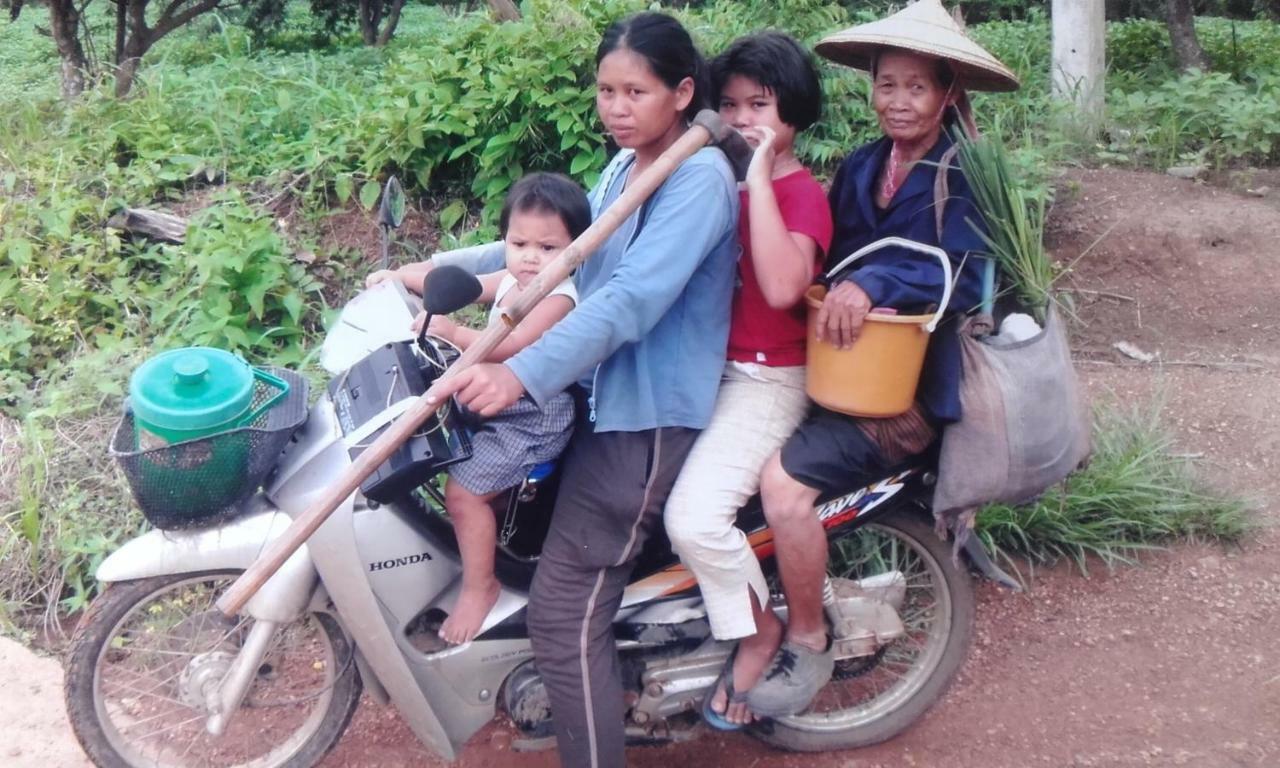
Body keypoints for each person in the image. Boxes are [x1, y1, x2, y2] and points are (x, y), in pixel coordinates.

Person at [425, 12, 739, 767]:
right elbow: (550, 252)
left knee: (563, 617)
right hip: (594, 399)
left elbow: (629, 298)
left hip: (644, 417)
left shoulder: (696, 178)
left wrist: (519, 371)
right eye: (606, 90)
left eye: (637, 91)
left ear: (682, 93)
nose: (617, 107)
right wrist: (426, 271)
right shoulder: (621, 168)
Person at [744, 0, 1021, 719]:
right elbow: (832, 258)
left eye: (916, 87)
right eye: (886, 84)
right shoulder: (866, 163)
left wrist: (873, 284)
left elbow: (961, 270)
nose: (898, 101)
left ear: (948, 93)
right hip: (841, 369)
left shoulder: (970, 170)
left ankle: (807, 639)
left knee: (781, 486)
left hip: (906, 396)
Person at [660, 31, 832, 730]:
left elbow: (786, 285)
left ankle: (761, 630)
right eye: (728, 105)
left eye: (759, 104)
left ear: (793, 110)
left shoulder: (799, 194)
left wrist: (758, 178)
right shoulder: (716, 183)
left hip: (768, 381)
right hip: (711, 371)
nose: (741, 121)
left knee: (693, 519)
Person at [407, 173, 589, 644]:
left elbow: (507, 346)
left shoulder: (560, 297)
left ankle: (480, 587)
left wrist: (452, 333)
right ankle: (488, 539)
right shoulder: (513, 276)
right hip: (497, 400)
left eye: (548, 248)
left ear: (576, 248)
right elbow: (467, 284)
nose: (531, 257)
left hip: (534, 414)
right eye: (519, 242)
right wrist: (400, 279)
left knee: (462, 494)